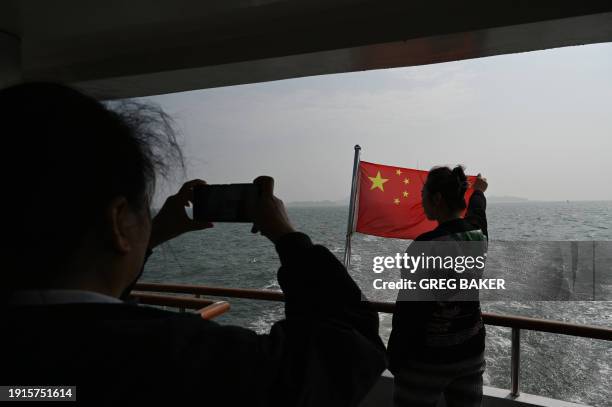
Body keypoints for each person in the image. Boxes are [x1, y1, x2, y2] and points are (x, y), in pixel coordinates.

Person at [0, 83, 386, 406]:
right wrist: (287, 236)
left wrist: (152, 233)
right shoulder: (174, 359)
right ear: (118, 222)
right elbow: (350, 352)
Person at [387, 165, 489, 407]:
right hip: (470, 354)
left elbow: (409, 313)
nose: (421, 201)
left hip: (427, 360)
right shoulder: (478, 236)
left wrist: (395, 357)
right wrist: (479, 192)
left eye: (423, 194)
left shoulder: (425, 246)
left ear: (437, 198)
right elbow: (477, 215)